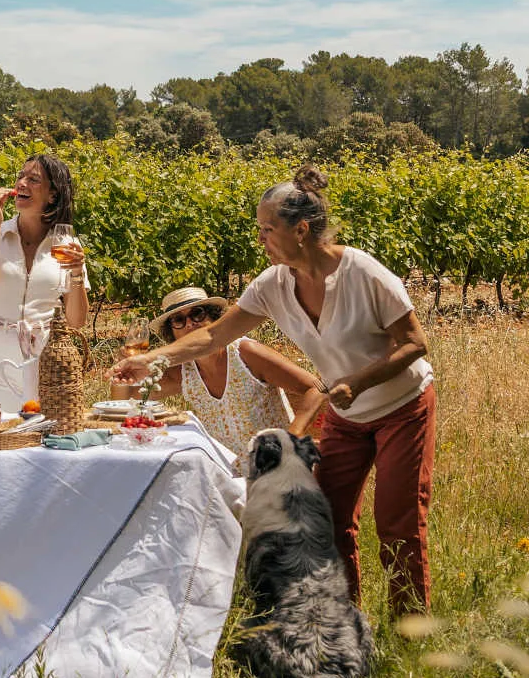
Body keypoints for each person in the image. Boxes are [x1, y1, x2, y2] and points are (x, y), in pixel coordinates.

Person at [112, 166, 434, 615]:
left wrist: (357, 382)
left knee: (398, 524)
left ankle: (410, 631)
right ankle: (343, 622)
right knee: (330, 522)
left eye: (267, 229)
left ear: (300, 230)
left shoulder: (364, 274)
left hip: (402, 406)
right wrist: (150, 360)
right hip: (347, 415)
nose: (260, 239)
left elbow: (415, 344)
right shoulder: (273, 285)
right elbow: (213, 336)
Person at [142, 286, 327, 466]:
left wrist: (292, 435)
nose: (190, 323)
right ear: (172, 333)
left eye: (197, 314)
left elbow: (317, 388)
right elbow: (133, 394)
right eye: (178, 320)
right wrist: (132, 365)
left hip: (276, 471)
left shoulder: (245, 353)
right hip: (226, 478)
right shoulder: (184, 371)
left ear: (214, 318)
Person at [0, 154, 89, 408]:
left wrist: (76, 273)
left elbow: (76, 321)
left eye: (33, 179)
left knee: (41, 434)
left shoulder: (66, 244)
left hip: (45, 358)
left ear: (52, 195)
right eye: (20, 176)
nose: (21, 183)